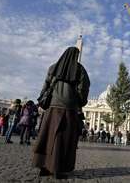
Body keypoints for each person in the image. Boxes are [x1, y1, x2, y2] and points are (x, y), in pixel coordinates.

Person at [33, 47, 90, 179]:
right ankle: (58, 168)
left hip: (52, 106)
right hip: (69, 109)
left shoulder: (53, 67)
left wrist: (44, 99)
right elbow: (83, 89)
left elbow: (45, 86)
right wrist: (79, 101)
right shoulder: (80, 70)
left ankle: (44, 166)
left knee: (47, 136)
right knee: (63, 139)